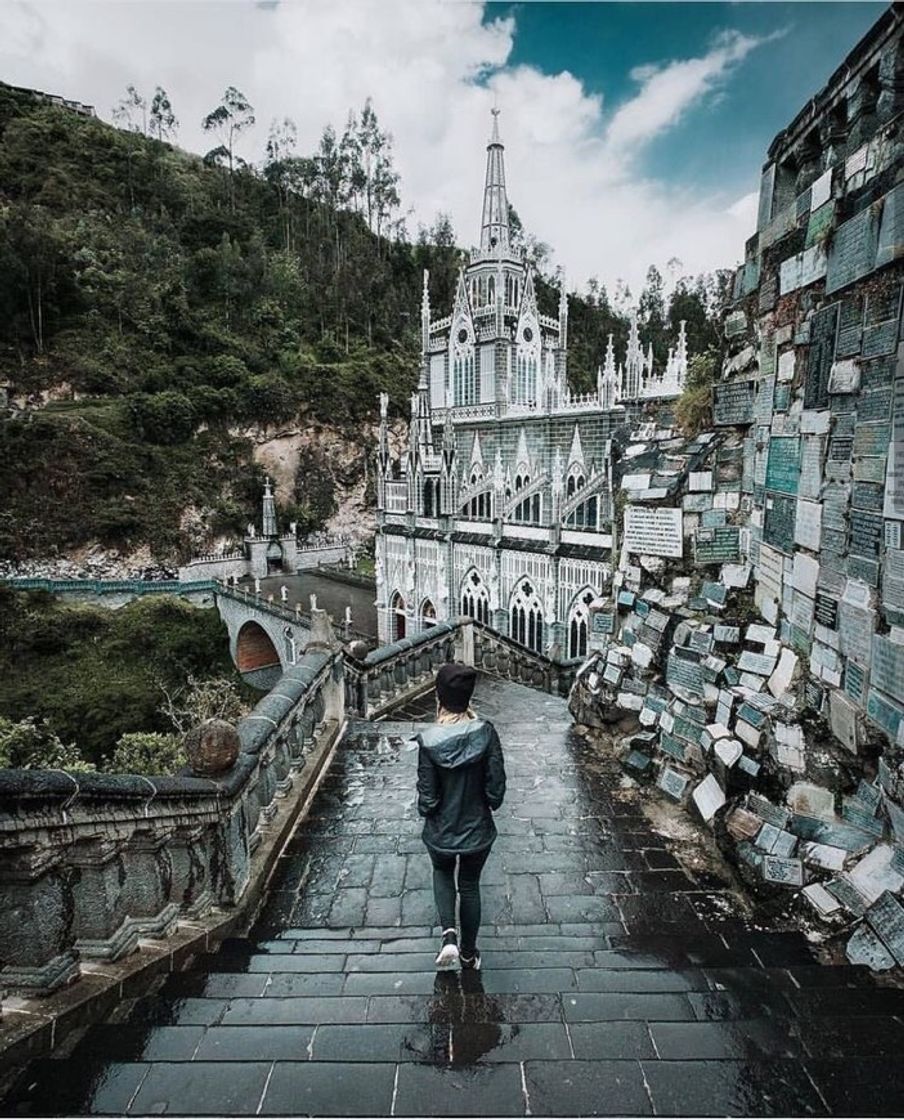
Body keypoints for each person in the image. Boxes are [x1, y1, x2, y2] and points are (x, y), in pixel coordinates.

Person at [415, 662, 506, 971]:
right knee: (469, 885)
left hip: (441, 831)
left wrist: (427, 810)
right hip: (477, 830)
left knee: (442, 873)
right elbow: (496, 791)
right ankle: (468, 954)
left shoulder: (428, 741)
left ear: (440, 698)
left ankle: (448, 937)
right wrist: (487, 803)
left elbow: (427, 799)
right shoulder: (487, 733)